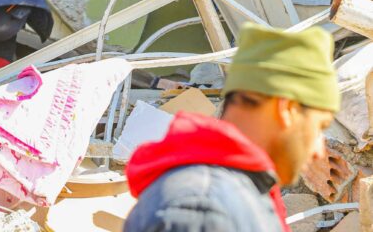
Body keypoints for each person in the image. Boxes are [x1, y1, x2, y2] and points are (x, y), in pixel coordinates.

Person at [125, 22, 339, 232]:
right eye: (319, 127)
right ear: (287, 110)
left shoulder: (232, 196)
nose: (319, 151)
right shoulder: (204, 210)